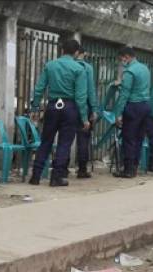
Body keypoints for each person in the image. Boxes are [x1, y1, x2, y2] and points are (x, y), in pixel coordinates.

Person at [29, 38, 89, 187]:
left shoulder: (50, 65)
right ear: (76, 52)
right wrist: (84, 118)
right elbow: (81, 97)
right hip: (70, 108)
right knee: (64, 143)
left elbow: (39, 89)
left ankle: (35, 176)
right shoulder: (79, 69)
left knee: (46, 140)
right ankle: (56, 177)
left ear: (62, 50)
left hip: (53, 106)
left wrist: (35, 107)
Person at [112, 47, 152, 178]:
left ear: (126, 56)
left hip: (134, 106)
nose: (122, 62)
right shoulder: (145, 68)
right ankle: (134, 167)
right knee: (139, 138)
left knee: (129, 138)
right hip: (145, 106)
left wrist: (118, 113)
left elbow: (124, 94)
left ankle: (128, 170)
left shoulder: (129, 72)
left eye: (121, 59)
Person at [75, 47, 99, 178]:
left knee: (65, 139)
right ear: (82, 54)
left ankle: (61, 168)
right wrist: (94, 109)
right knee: (83, 138)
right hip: (84, 105)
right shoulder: (87, 68)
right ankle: (82, 169)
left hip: (65, 105)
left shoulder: (64, 66)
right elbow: (91, 90)